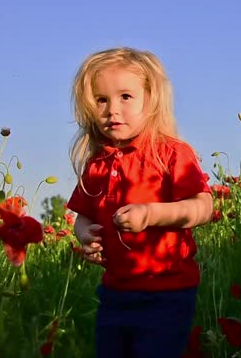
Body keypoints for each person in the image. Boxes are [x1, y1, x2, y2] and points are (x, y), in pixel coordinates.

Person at [67, 47, 214, 358]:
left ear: (152, 99)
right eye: (101, 100)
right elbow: (82, 216)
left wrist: (152, 214)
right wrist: (85, 235)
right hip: (115, 292)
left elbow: (203, 206)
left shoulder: (171, 153)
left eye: (125, 97)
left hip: (167, 292)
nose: (111, 110)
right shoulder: (98, 163)